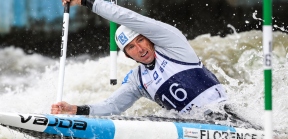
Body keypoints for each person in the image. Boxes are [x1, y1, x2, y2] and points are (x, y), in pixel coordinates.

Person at [51, 0, 227, 116]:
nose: (140, 48)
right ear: (128, 55)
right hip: (192, 131)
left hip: (225, 115)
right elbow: (112, 107)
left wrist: (85, 1)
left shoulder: (174, 45)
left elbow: (127, 17)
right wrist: (74, 109)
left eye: (141, 40)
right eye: (131, 47)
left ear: (149, 37)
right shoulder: (138, 80)